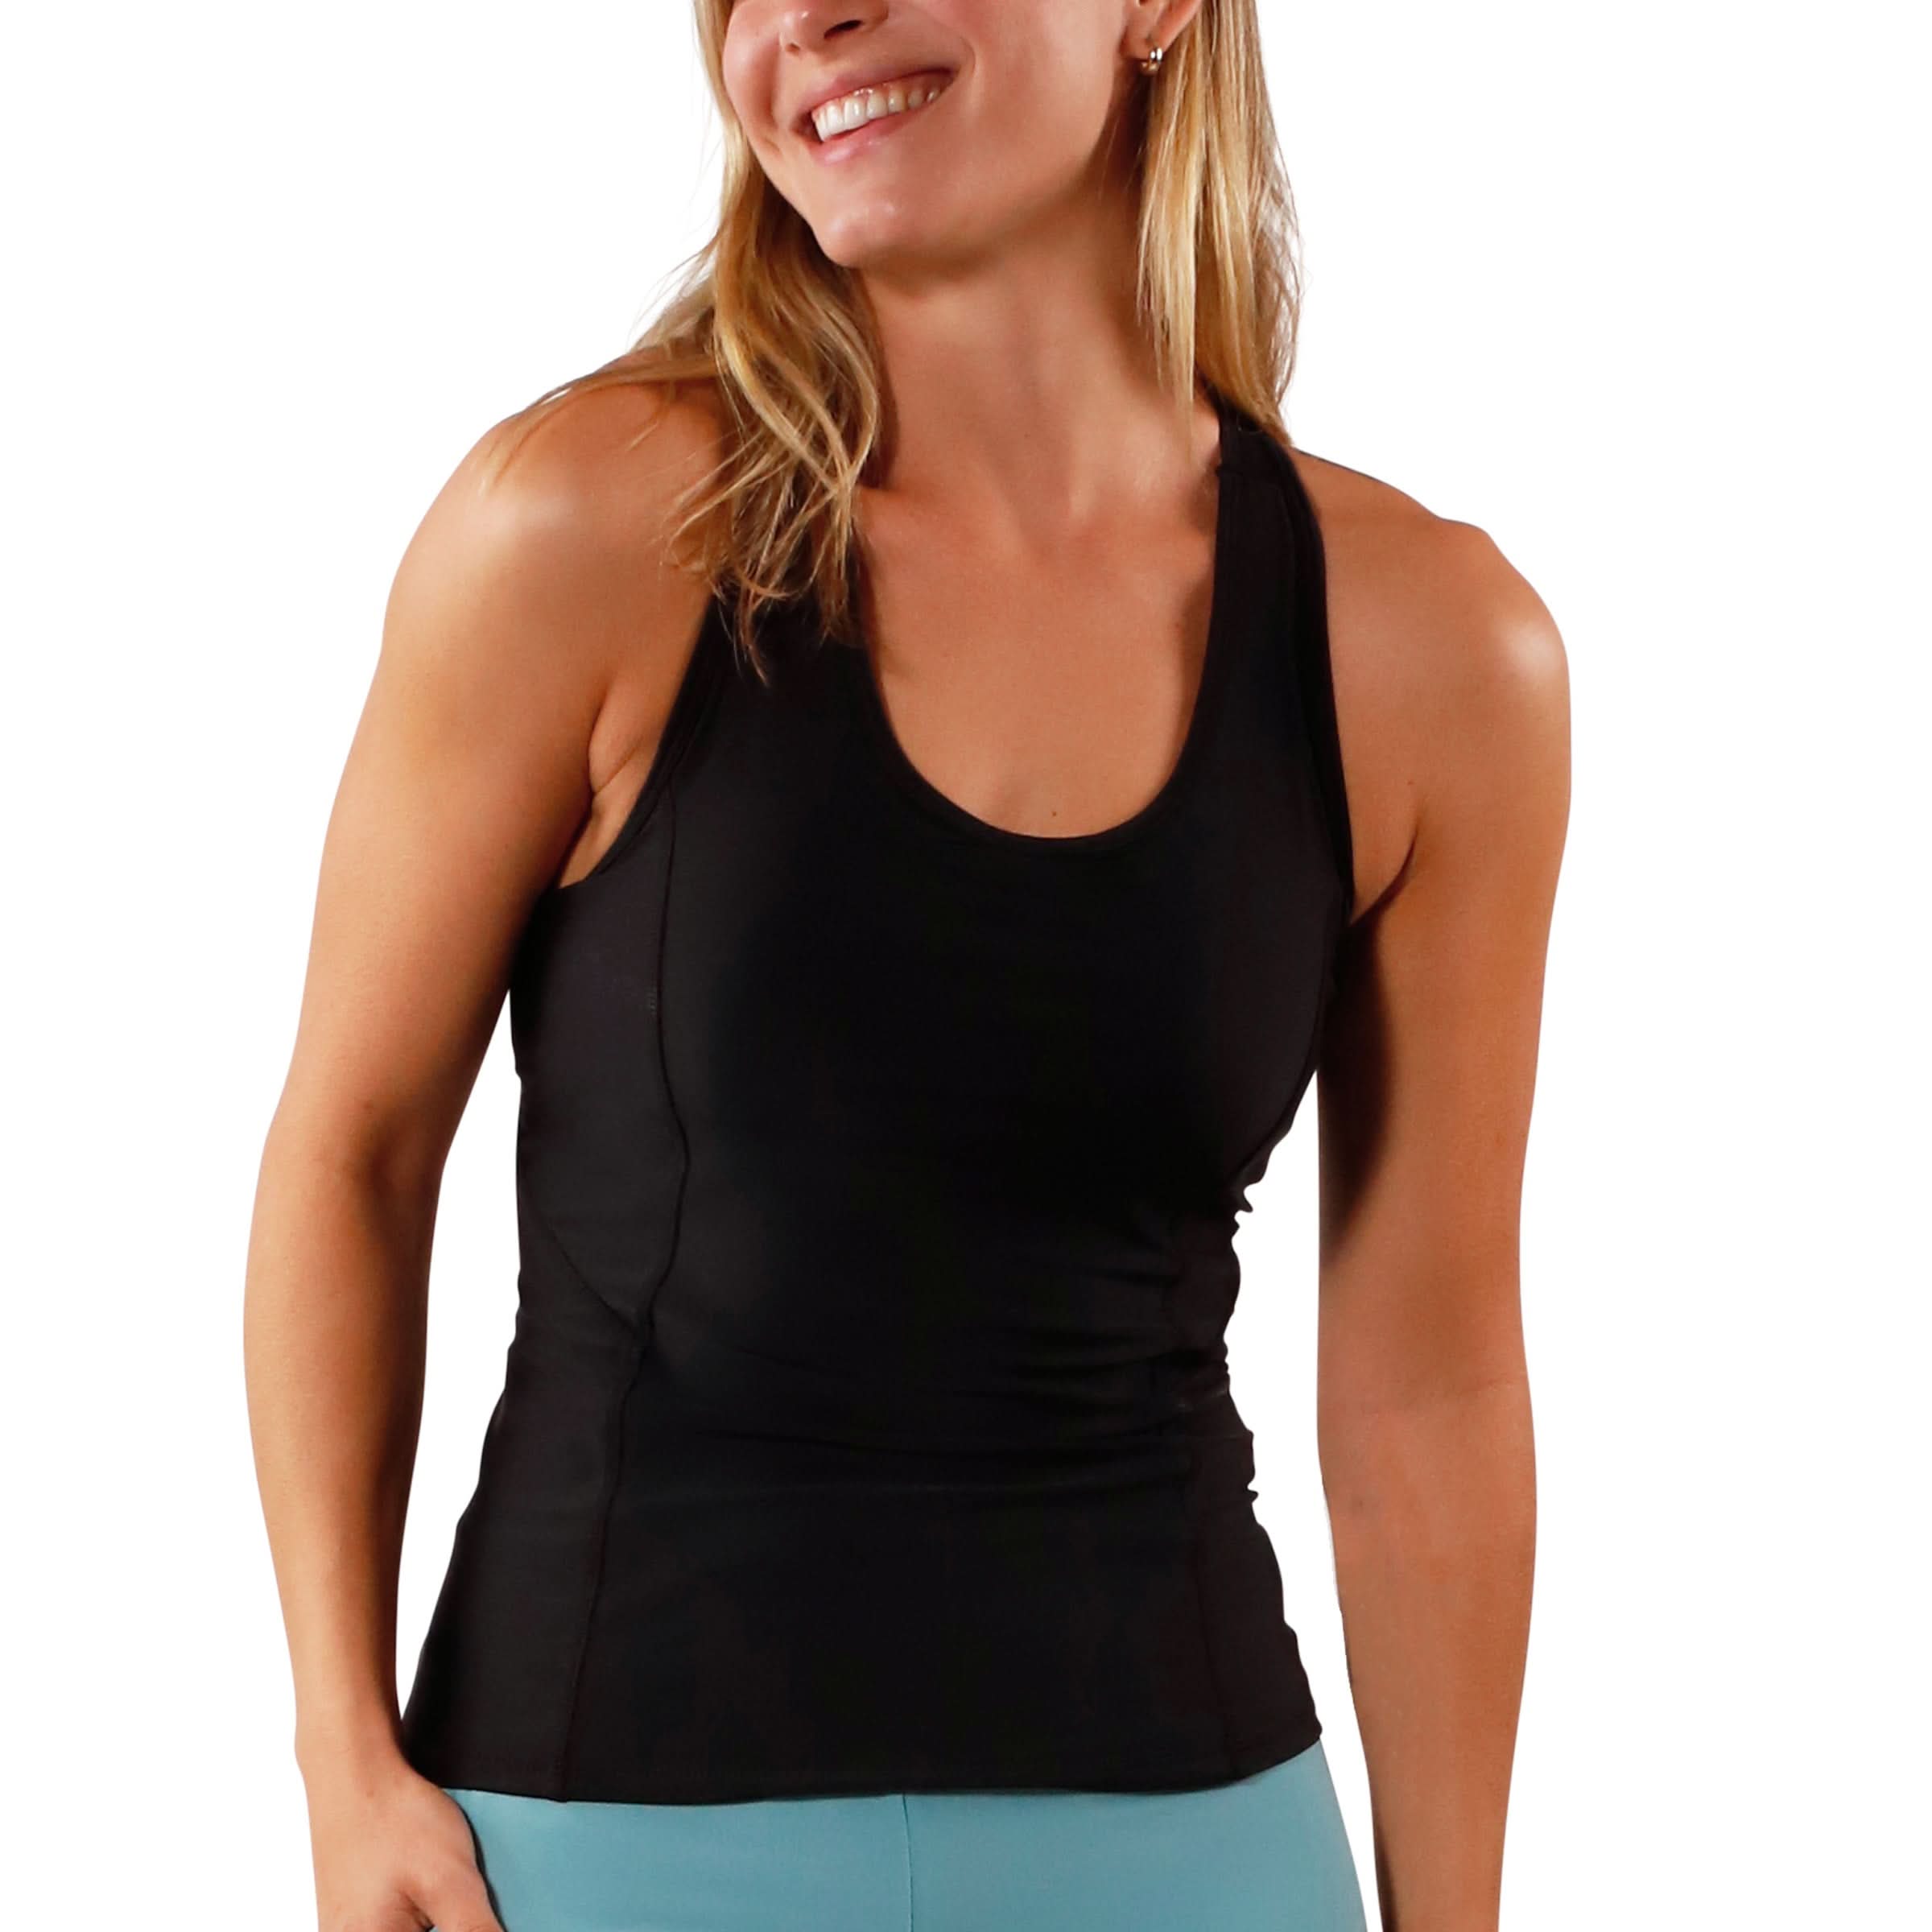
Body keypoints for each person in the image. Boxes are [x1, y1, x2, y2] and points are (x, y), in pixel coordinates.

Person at [244, 1, 1569, 1927]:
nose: (805, 19)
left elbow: (1426, 1384)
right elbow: (351, 1155)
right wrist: (339, 1758)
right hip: (599, 1841)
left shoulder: (1431, 648)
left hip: (1194, 1842)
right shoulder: (591, 528)